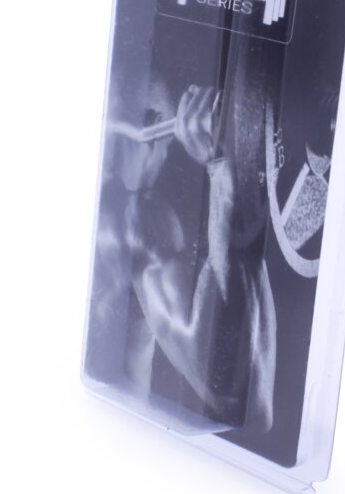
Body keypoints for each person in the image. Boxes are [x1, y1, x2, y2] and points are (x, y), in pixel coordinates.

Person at [87, 79, 277, 433]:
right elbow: (248, 402)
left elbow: (248, 402)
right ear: (155, 135)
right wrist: (227, 169)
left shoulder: (115, 224)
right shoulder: (130, 225)